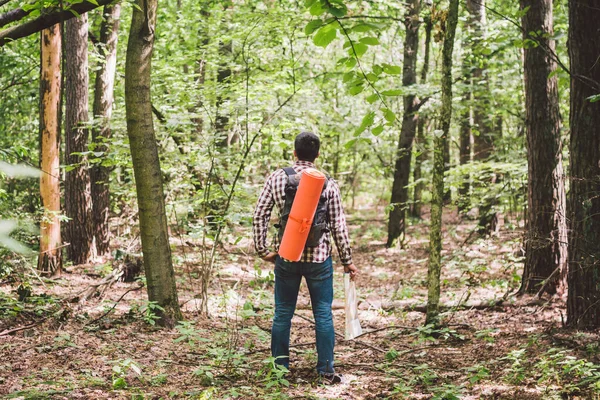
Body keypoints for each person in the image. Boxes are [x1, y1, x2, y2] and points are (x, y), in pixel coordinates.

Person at [252, 131, 358, 384]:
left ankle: (280, 370)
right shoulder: (328, 183)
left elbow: (259, 215)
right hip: (319, 258)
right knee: (322, 313)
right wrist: (347, 260)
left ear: (294, 152)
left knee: (282, 313)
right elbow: (339, 226)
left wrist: (263, 250)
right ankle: (326, 371)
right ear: (317, 154)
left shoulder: (277, 178)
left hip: (286, 255)